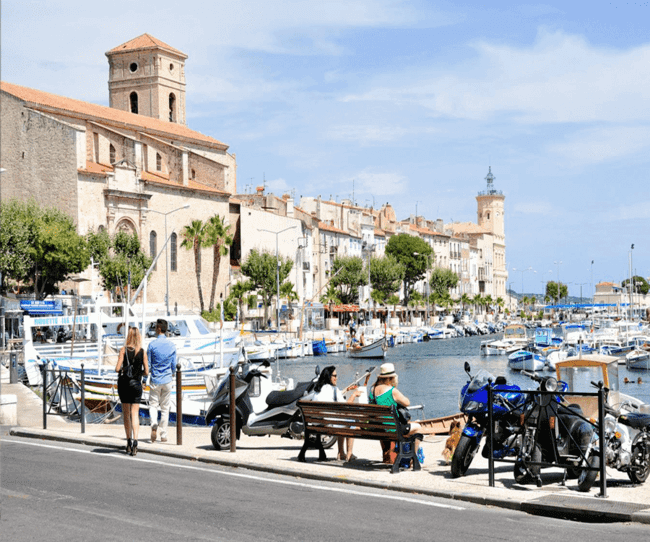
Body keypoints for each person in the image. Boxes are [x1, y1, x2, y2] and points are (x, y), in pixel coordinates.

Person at [368, 362, 422, 463]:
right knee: (418, 427)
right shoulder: (392, 391)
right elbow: (407, 402)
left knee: (386, 422)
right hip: (392, 429)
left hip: (378, 428)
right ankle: (413, 459)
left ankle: (386, 455)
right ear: (390, 378)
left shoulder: (372, 390)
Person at [311, 365, 361, 462]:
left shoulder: (317, 390)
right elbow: (346, 407)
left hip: (318, 424)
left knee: (341, 420)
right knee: (352, 421)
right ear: (329, 377)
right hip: (331, 425)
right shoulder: (334, 390)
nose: (336, 378)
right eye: (334, 375)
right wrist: (354, 395)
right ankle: (349, 453)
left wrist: (345, 391)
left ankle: (341, 453)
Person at [115, 326, 149, 456]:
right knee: (135, 414)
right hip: (136, 385)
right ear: (138, 336)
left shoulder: (123, 350)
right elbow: (146, 371)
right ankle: (136, 442)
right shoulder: (142, 352)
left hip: (124, 385)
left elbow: (117, 368)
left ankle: (128, 442)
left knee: (126, 414)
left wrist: (124, 368)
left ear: (128, 336)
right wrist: (138, 373)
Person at [147, 319, 177, 443]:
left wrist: (144, 379)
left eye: (155, 327)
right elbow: (174, 365)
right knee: (165, 408)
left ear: (159, 328)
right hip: (167, 379)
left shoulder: (152, 345)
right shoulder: (171, 345)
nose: (154, 329)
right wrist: (172, 373)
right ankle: (163, 435)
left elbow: (148, 365)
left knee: (153, 405)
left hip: (155, 379)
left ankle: (154, 423)